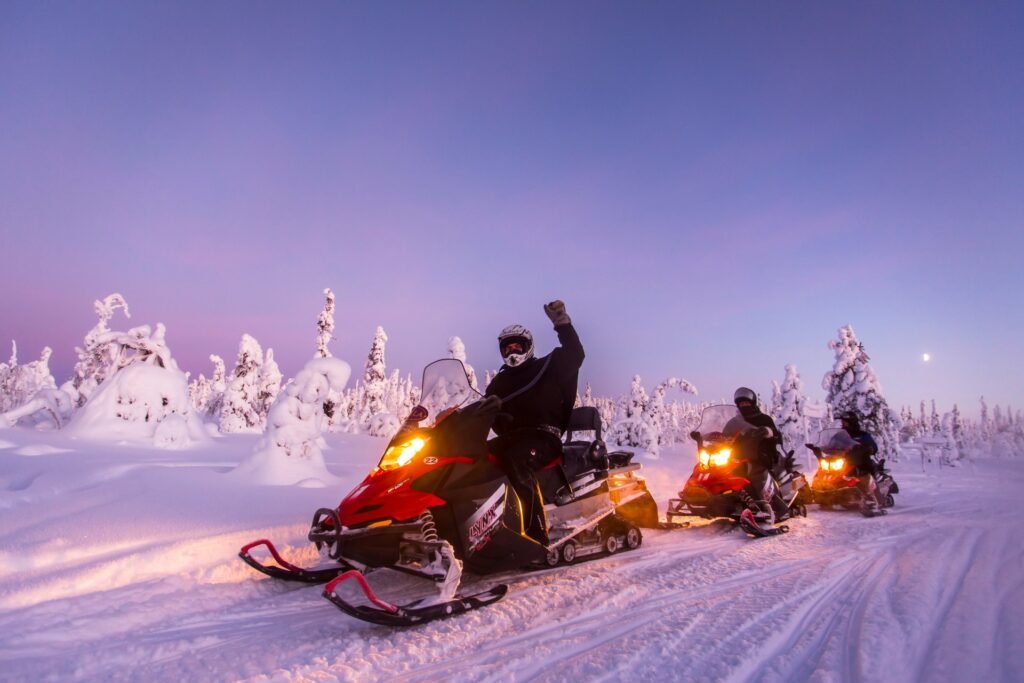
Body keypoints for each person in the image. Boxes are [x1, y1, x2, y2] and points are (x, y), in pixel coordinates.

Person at [485, 300, 585, 545]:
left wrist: (561, 322)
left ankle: (535, 533)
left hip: (544, 436)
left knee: (516, 459)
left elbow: (575, 354)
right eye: (507, 349)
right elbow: (483, 410)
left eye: (517, 346)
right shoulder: (499, 382)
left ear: (528, 347)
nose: (512, 352)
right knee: (476, 457)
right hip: (512, 439)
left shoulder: (548, 366)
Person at [732, 387, 787, 523]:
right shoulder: (734, 422)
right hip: (738, 458)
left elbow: (776, 434)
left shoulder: (763, 418)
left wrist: (768, 431)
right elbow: (724, 432)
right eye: (741, 403)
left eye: (746, 403)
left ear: (752, 403)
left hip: (761, 456)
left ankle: (778, 509)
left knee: (756, 473)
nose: (744, 405)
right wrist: (711, 435)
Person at [838, 410, 882, 514]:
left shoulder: (862, 435)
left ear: (851, 422)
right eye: (842, 422)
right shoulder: (840, 435)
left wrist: (869, 448)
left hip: (861, 462)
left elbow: (874, 446)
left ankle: (873, 497)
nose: (842, 424)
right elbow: (832, 444)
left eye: (845, 422)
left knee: (865, 473)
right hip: (845, 461)